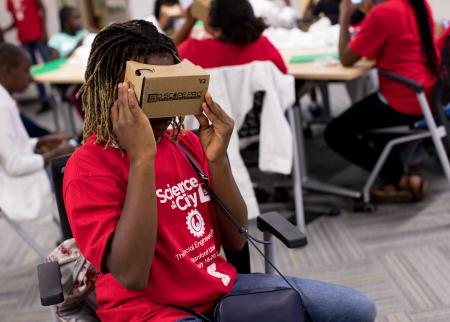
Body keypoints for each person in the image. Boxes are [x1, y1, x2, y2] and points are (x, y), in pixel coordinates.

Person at [63, 20, 377, 322]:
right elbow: (131, 275)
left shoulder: (184, 142)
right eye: (147, 92)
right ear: (112, 90)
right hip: (147, 310)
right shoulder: (88, 167)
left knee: (357, 310)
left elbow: (236, 239)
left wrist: (217, 160)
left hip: (219, 288)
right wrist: (143, 158)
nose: (164, 106)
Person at [324, 0, 440, 203]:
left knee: (335, 133)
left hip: (404, 99)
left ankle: (402, 180)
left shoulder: (385, 12)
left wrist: (344, 15)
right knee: (373, 118)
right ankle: (392, 179)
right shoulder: (418, 4)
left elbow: (345, 58)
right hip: (429, 94)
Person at [0, 43, 77, 222]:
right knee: (76, 170)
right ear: (8, 70)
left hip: (24, 174)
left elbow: (13, 146)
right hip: (18, 188)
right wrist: (53, 155)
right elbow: (14, 166)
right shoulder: (2, 107)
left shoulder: (5, 100)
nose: (30, 77)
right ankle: (73, 231)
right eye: (26, 70)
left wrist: (41, 141)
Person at [174, 0, 287, 74]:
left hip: (207, 110)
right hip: (256, 110)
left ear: (217, 30)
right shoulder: (263, 46)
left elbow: (170, 54)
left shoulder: (193, 50)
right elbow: (282, 76)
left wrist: (190, 21)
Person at [3, 0, 51, 114]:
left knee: (49, 63)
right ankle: (44, 100)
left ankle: (60, 93)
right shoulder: (9, 1)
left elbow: (42, 9)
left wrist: (44, 30)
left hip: (38, 34)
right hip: (24, 38)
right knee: (31, 71)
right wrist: (4, 30)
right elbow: (15, 20)